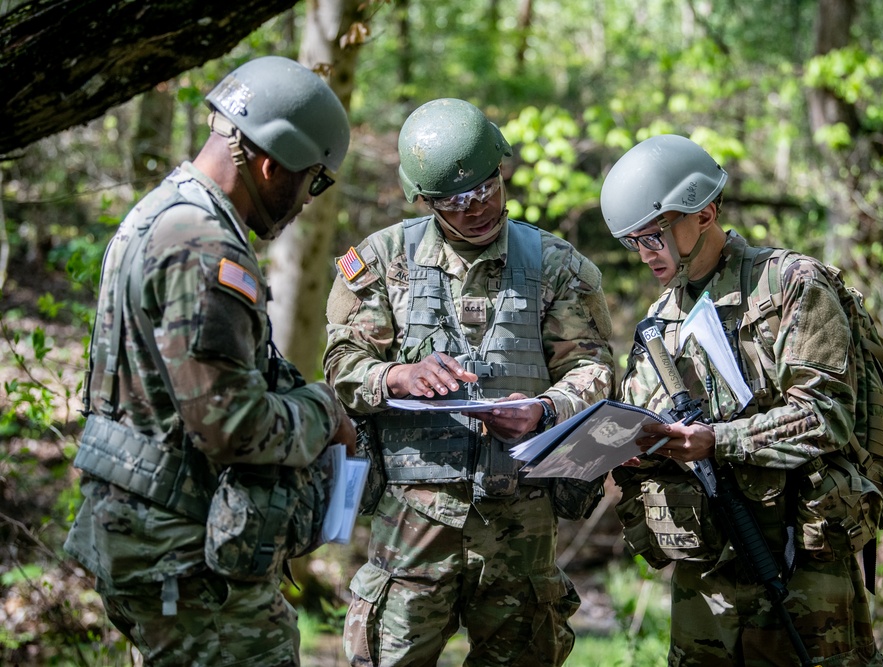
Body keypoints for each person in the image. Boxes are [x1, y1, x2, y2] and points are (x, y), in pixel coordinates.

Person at [64, 56, 357, 666]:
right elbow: (235, 426)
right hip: (184, 558)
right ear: (272, 164)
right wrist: (325, 409)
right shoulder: (203, 245)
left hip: (155, 544)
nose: (308, 200)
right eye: (315, 181)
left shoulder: (162, 214)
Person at [324, 98, 615, 666]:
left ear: (502, 170)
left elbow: (595, 370)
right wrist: (396, 375)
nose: (476, 207)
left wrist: (546, 409)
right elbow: (341, 367)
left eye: (486, 188)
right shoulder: (382, 262)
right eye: (454, 201)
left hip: (521, 522)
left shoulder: (558, 266)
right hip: (412, 521)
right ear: (425, 200)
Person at [601, 134, 883, 666]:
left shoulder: (791, 286)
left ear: (704, 212)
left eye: (653, 236)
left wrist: (718, 440)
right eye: (633, 242)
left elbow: (828, 415)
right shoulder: (658, 324)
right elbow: (637, 425)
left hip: (803, 555)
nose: (645, 255)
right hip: (706, 569)